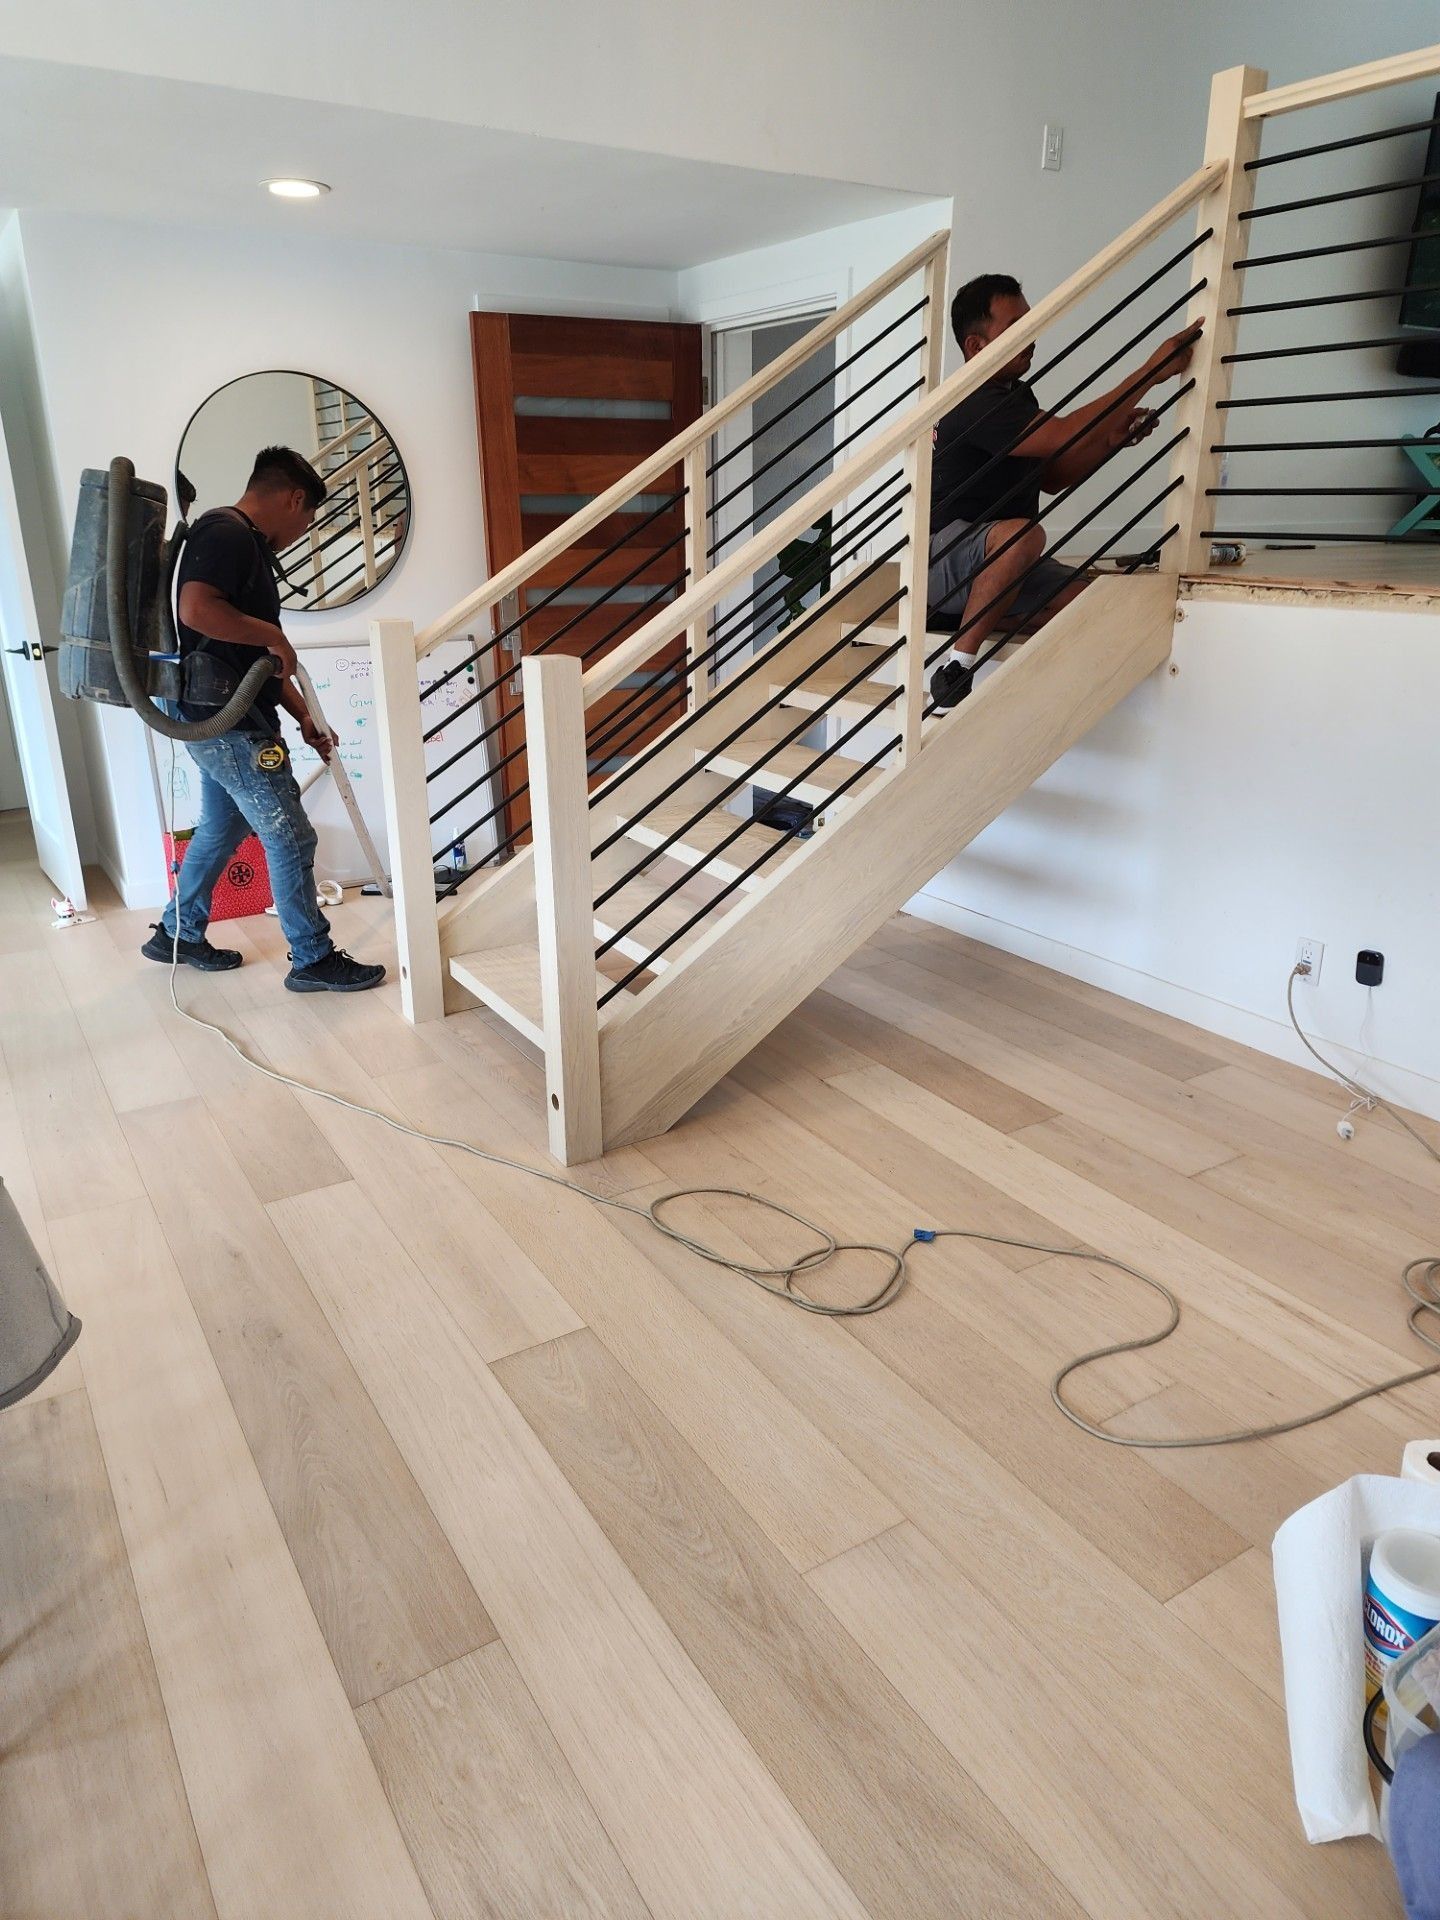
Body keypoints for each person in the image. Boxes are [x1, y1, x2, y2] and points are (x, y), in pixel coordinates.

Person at [141, 446, 386, 991]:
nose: (302, 531)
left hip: (222, 716)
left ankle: (176, 934)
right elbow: (198, 610)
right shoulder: (226, 535)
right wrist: (274, 635)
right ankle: (313, 957)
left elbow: (258, 659)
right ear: (295, 499)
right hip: (227, 724)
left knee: (220, 829)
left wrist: (302, 715)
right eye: (308, 518)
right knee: (291, 837)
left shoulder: (240, 542)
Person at [927, 273, 1202, 707]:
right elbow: (1063, 435)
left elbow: (1051, 476)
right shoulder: (973, 400)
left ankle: (996, 612)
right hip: (943, 562)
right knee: (1023, 535)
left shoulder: (1015, 395)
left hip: (999, 562)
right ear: (977, 347)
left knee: (1096, 602)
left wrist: (1112, 441)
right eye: (1016, 327)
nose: (1032, 335)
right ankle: (958, 664)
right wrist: (1149, 373)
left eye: (1031, 323)